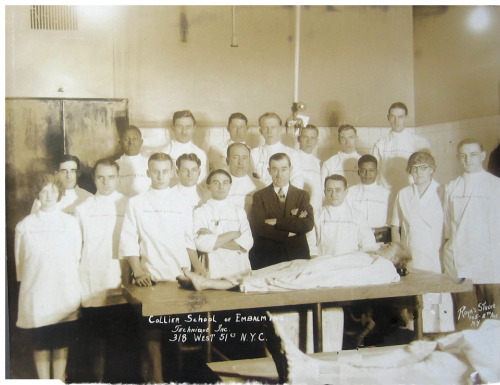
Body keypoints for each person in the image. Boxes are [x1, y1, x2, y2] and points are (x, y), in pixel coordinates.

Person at [119, 152, 195, 383]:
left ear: (172, 172)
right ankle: (157, 381)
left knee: (175, 336)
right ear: (148, 173)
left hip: (179, 279)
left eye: (165, 171)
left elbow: (188, 239)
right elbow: (129, 240)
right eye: (155, 171)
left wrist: (198, 269)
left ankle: (173, 379)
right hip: (150, 279)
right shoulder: (136, 202)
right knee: (151, 335)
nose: (160, 176)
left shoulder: (183, 202)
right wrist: (138, 271)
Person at [265, 312, 499, 385]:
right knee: (399, 356)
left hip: (473, 371)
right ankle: (313, 367)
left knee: (378, 374)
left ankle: (311, 372)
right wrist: (443, 343)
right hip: (472, 355)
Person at [15, 173, 82, 381]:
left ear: (60, 193)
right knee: (41, 342)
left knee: (61, 341)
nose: (48, 195)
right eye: (44, 191)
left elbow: (76, 257)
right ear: (37, 195)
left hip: (63, 290)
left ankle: (59, 379)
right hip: (37, 292)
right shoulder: (25, 226)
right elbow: (21, 265)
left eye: (53, 190)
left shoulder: (71, 223)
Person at [75, 158, 129, 381]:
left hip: (120, 279)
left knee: (121, 343)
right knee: (90, 342)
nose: (106, 183)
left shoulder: (129, 204)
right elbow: (77, 247)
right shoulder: (82, 208)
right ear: (94, 178)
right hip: (91, 280)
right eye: (101, 177)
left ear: (118, 177)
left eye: (111, 177)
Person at [178, 242, 410, 292]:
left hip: (316, 275)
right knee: (262, 271)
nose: (384, 244)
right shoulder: (373, 257)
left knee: (269, 280)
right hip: (314, 266)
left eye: (390, 246)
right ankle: (204, 282)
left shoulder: (385, 268)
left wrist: (311, 273)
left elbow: (346, 276)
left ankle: (206, 283)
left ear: (397, 260)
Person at [391, 152, 454, 333]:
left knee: (436, 298)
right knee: (415, 303)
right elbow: (395, 226)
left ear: (432, 170)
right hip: (411, 256)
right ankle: (416, 335)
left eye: (423, 168)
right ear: (409, 170)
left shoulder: (443, 192)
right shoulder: (403, 194)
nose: (418, 172)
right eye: (414, 168)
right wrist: (399, 256)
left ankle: (438, 335)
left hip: (436, 255)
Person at [443, 139, 500, 330]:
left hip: (491, 263)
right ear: (458, 158)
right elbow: (448, 227)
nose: (468, 159)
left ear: (483, 156)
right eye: (463, 155)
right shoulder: (452, 188)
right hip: (461, 263)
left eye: (473, 154)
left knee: (493, 323)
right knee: (466, 322)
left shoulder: (496, 185)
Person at [249, 152, 314, 269]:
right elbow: (258, 227)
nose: (279, 174)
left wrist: (276, 222)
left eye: (283, 169)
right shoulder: (259, 196)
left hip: (297, 254)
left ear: (290, 170)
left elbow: (307, 225)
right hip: (268, 256)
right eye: (275, 169)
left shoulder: (302, 195)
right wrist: (289, 232)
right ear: (269, 171)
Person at [190, 169, 253, 279]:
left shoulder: (239, 211)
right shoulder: (200, 212)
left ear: (230, 186)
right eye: (216, 183)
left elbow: (246, 242)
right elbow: (200, 243)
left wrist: (212, 238)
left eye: (225, 183)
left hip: (240, 270)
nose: (221, 187)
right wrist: (232, 234)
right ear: (209, 187)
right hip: (214, 271)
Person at [372, 102, 430, 193]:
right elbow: (376, 173)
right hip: (386, 192)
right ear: (388, 118)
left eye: (400, 117)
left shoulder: (420, 142)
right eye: (393, 116)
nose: (396, 121)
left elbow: (427, 172)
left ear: (406, 117)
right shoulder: (380, 144)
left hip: (411, 191)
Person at [315, 174, 376, 257]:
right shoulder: (316, 215)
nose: (333, 194)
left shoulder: (358, 216)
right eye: (329, 190)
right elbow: (311, 247)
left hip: (351, 264)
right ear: (324, 192)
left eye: (338, 190)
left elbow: (368, 245)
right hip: (324, 264)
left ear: (346, 192)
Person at [251, 112, 304, 189]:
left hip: (285, 198)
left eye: (273, 127)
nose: (269, 132)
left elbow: (297, 182)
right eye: (266, 127)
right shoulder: (253, 154)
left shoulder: (292, 154)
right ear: (260, 131)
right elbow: (250, 181)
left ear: (280, 129)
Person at [346, 154, 391, 243]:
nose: (367, 174)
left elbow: (389, 223)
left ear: (377, 172)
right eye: (363, 171)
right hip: (356, 239)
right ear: (358, 172)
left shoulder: (386, 194)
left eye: (371, 170)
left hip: (380, 239)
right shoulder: (350, 192)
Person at [161, 110, 208, 186]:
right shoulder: (164, 153)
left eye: (188, 127)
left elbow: (202, 182)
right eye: (179, 127)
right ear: (173, 127)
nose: (184, 132)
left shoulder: (200, 153)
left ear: (194, 128)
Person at [225, 142, 264, 216]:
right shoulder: (217, 184)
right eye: (235, 157)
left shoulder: (260, 187)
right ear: (227, 161)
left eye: (244, 158)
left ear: (249, 161)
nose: (240, 162)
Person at [321, 124, 361, 189]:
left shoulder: (363, 162)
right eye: (343, 138)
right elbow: (323, 190)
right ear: (339, 140)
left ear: (356, 138)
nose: (348, 142)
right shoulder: (329, 163)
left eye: (351, 137)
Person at [115, 125, 151, 197]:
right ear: (120, 143)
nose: (131, 142)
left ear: (141, 142)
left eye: (135, 139)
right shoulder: (114, 165)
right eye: (126, 139)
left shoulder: (149, 164)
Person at [296, 124, 323, 215]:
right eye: (305, 137)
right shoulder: (292, 157)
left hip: (316, 210)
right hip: (298, 210)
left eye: (312, 138)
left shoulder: (317, 163)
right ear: (299, 139)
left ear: (316, 141)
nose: (309, 141)